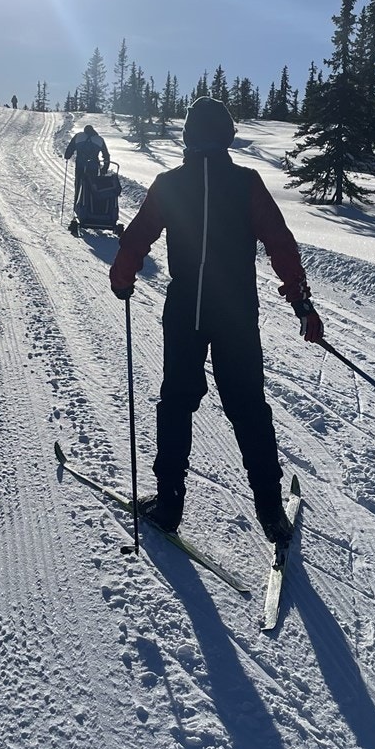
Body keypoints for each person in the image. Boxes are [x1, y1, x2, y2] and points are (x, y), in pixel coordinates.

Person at [108, 96, 323, 543]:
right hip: (237, 313)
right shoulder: (247, 183)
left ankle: (168, 504)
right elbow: (281, 245)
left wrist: (123, 277)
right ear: (225, 136)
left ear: (189, 137)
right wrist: (301, 302)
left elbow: (136, 237)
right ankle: (270, 513)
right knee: (248, 409)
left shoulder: (169, 184)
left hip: (186, 311)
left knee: (176, 403)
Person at [64, 122, 111, 205]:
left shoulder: (78, 136)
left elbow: (70, 148)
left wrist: (67, 156)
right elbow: (106, 155)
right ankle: (91, 205)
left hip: (80, 166)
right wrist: (104, 169)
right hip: (93, 167)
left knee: (79, 184)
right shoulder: (99, 139)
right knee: (92, 185)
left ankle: (77, 204)